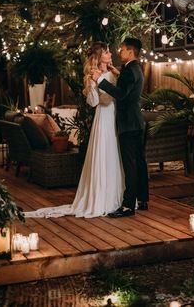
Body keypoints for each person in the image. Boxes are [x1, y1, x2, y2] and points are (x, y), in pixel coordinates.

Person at [25, 42, 124, 218]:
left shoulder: (115, 72)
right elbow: (94, 102)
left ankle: (117, 197)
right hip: (103, 118)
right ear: (99, 56)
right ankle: (101, 199)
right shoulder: (94, 75)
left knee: (114, 154)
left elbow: (119, 95)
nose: (110, 53)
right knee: (104, 153)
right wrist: (93, 83)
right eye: (107, 52)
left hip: (116, 116)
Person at [91, 37, 149, 218]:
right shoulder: (135, 68)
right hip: (137, 123)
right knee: (139, 163)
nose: (119, 52)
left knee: (130, 165)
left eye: (122, 49)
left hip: (128, 125)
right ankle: (143, 199)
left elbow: (121, 94)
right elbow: (128, 88)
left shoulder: (129, 71)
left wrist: (101, 81)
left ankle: (128, 206)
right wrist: (117, 74)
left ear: (130, 51)